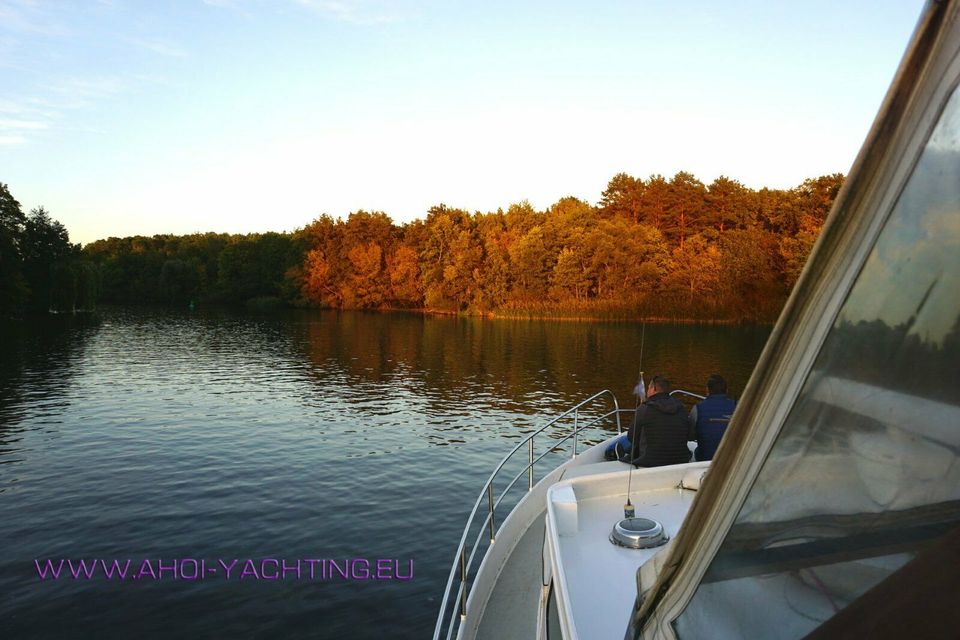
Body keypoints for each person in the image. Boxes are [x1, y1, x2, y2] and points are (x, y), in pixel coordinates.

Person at [622, 375, 691, 467]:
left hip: (650, 462)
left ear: (653, 389)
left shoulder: (644, 408)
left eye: (648, 388)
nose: (646, 391)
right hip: (681, 460)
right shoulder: (681, 407)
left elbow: (632, 437)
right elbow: (689, 434)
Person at [688, 374, 736, 461]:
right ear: (726, 390)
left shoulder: (698, 408)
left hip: (705, 458)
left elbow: (690, 436)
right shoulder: (737, 406)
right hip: (730, 459)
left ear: (707, 390)